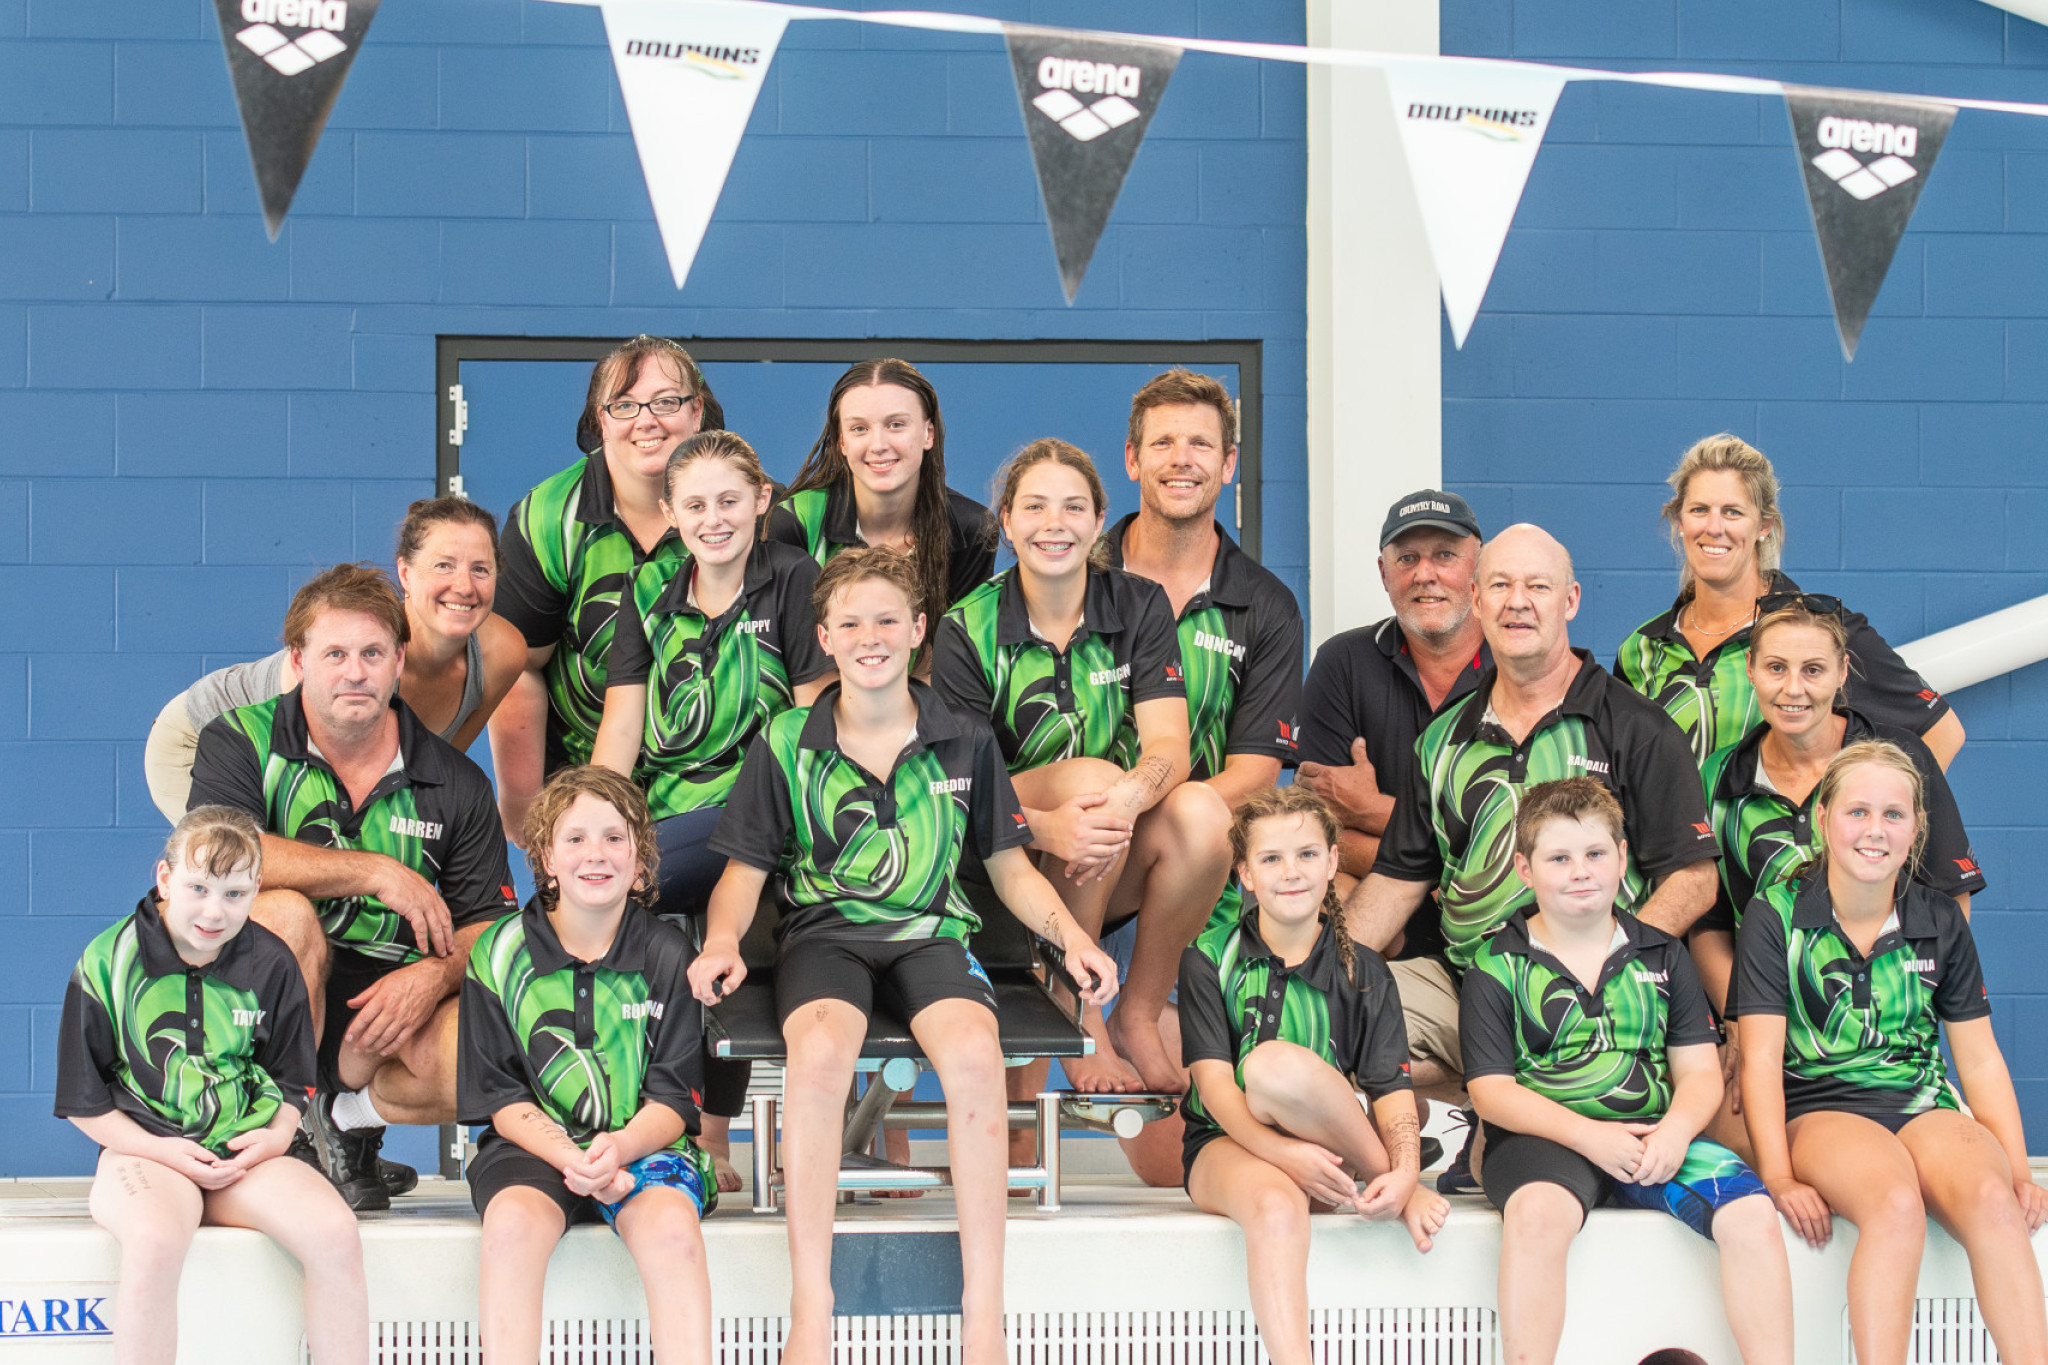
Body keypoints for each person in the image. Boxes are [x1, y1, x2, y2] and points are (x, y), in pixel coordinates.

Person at [689, 547, 1119, 1365]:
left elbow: (1009, 868)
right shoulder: (787, 739)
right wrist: (717, 941)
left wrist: (1074, 938)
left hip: (931, 933)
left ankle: (983, 1311)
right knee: (817, 1060)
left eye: (888, 619)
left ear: (920, 630)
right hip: (825, 937)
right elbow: (742, 876)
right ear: (825, 636)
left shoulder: (965, 736)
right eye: (850, 622)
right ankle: (809, 1303)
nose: (870, 635)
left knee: (972, 1057)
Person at [1343, 525, 1720, 1186]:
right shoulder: (1443, 739)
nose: (1519, 602)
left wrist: (1611, 972)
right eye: (1501, 586)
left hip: (1593, 998)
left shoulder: (1635, 727)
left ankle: (1506, 1124)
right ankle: (1472, 1116)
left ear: (1570, 601)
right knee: (1326, 1007)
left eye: (1538, 586)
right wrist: (1311, 969)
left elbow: (1693, 878)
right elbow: (1398, 879)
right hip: (1472, 989)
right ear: (1477, 603)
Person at [188, 564, 518, 1212]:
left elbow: (487, 925)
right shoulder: (241, 740)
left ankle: (349, 1119)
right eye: (334, 653)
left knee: (488, 1044)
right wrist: (375, 870)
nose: (355, 671)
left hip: (381, 1009)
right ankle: (275, 1126)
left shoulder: (454, 780)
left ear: (399, 660)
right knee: (284, 917)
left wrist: (431, 976)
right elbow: (213, 856)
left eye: (372, 653)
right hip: (269, 995)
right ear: (298, 660)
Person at [933, 439, 1232, 1097]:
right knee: (1091, 778)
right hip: (993, 855)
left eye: (1073, 506)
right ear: (1005, 521)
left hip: (1102, 844)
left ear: (1099, 521)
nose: (1054, 523)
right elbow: (960, 787)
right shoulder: (966, 627)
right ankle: (1077, 1007)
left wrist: (1125, 801)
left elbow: (1169, 750)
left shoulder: (1139, 605)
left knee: (1204, 816)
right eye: (1034, 506)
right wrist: (1045, 829)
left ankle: (1138, 1012)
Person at [1734, 740, 2048, 1365]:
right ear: (1823, 819)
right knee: (1896, 1204)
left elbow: (1980, 1059)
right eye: (1857, 812)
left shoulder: (1938, 918)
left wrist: (2017, 1167)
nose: (1874, 831)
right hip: (1821, 1107)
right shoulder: (1777, 915)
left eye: (1893, 815)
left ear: (1915, 829)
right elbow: (1761, 1060)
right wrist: (1778, 1174)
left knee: (1993, 1201)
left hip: (1920, 1100)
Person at [1462, 779, 1792, 1365]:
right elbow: (1492, 1091)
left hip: (1652, 1139)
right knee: (1536, 1221)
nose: (1580, 871)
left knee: (1752, 1214)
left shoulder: (1662, 954)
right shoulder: (1497, 962)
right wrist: (1591, 1137)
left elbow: (1699, 1074)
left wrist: (1675, 1133)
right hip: (1544, 1141)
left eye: (1595, 854)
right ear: (1524, 868)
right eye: (1559, 858)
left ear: (1622, 858)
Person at [592, 429, 835, 1191]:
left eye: (730, 500)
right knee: (593, 898)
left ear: (762, 501)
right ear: (670, 512)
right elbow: (622, 727)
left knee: (644, 891)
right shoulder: (649, 591)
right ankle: (663, 1130)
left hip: (770, 809)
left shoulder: (794, 578)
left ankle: (704, 1135)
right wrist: (590, 830)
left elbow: (814, 720)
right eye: (694, 503)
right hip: (669, 817)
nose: (714, 517)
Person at [56, 806, 368, 1365]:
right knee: (153, 1243)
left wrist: (274, 1138)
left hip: (242, 1158)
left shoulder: (271, 963)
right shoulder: (109, 961)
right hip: (147, 1154)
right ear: (164, 879)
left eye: (235, 894)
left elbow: (292, 1082)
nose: (214, 911)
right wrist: (160, 1150)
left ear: (255, 891)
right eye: (198, 887)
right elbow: (85, 1102)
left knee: (335, 1232)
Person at [1100, 368, 1303, 1184]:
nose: (1180, 460)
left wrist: (1156, 817)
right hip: (1076, 848)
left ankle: (1139, 1008)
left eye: (1201, 445)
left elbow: (1256, 770)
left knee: (1165, 1162)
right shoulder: (1074, 569)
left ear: (1228, 467)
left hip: (1196, 858)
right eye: (1162, 443)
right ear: (1131, 459)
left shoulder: (1265, 605)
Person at [1179, 786, 1447, 1365]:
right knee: (1275, 1198)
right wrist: (1282, 1155)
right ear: (1245, 873)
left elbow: (1392, 1091)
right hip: (1225, 1146)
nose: (1290, 872)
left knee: (1279, 1067)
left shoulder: (1366, 969)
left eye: (1305, 855)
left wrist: (1403, 1171)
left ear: (1332, 863)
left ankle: (1396, 1185)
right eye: (1270, 859)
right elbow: (1217, 1091)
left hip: (1329, 1156)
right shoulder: (1207, 956)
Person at [460, 766, 715, 1365]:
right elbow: (501, 1098)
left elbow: (674, 1102)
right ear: (545, 858)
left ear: (641, 860)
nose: (594, 854)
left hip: (643, 1148)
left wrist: (617, 1152)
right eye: (574, 839)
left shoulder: (668, 954)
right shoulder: (499, 953)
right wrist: (579, 1160)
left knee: (672, 1231)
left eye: (614, 838)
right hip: (532, 1149)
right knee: (511, 1230)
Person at [142, 497, 526, 823]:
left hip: (305, 765)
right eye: (444, 565)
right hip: (200, 739)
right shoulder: (363, 655)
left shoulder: (504, 653)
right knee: (260, 877)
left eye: (480, 569)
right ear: (405, 573)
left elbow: (435, 771)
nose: (464, 586)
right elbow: (305, 790)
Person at [491, 335, 720, 842]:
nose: (647, 420)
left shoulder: (746, 510)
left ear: (697, 410)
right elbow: (518, 667)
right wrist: (528, 820)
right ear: (601, 420)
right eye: (625, 404)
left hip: (721, 791)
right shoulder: (548, 518)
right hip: (586, 780)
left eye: (666, 401)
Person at [1616, 433, 1961, 770]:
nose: (1714, 527)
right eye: (1699, 509)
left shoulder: (1823, 631)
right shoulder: (1641, 650)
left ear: (1764, 526)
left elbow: (1943, 732)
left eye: (1733, 512)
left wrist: (1888, 816)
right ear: (1679, 521)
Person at [1296, 489, 1488, 902]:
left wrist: (1369, 809)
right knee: (1316, 890)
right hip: (1379, 901)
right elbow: (1319, 832)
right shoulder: (1341, 663)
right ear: (1384, 573)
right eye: (1407, 559)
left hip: (1498, 923)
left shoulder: (1516, 665)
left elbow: (1521, 839)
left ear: (1479, 568)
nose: (1424, 574)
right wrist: (1451, 864)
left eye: (1445, 556)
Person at [767, 358, 995, 624]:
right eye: (859, 428)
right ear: (842, 441)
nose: (877, 445)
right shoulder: (797, 521)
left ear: (928, 434)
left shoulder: (971, 529)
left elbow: (961, 653)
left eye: (896, 425)